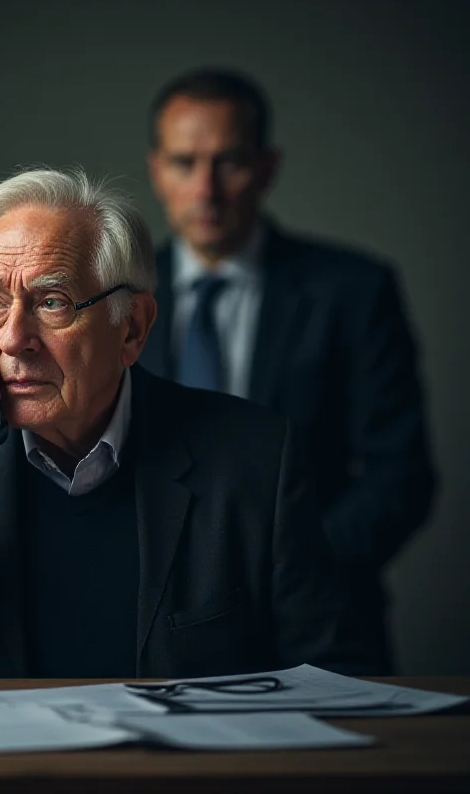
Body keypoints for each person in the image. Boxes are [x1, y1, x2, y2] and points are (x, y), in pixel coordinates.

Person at [0, 168, 369, 679]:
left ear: (131, 328)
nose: (13, 341)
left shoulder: (253, 456)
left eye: (52, 302)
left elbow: (332, 683)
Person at [140, 69, 437, 674]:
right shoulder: (115, 297)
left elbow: (401, 476)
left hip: (324, 626)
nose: (206, 189)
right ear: (155, 170)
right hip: (150, 627)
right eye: (184, 163)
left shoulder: (353, 291)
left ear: (269, 168)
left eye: (230, 162)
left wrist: (293, 567)